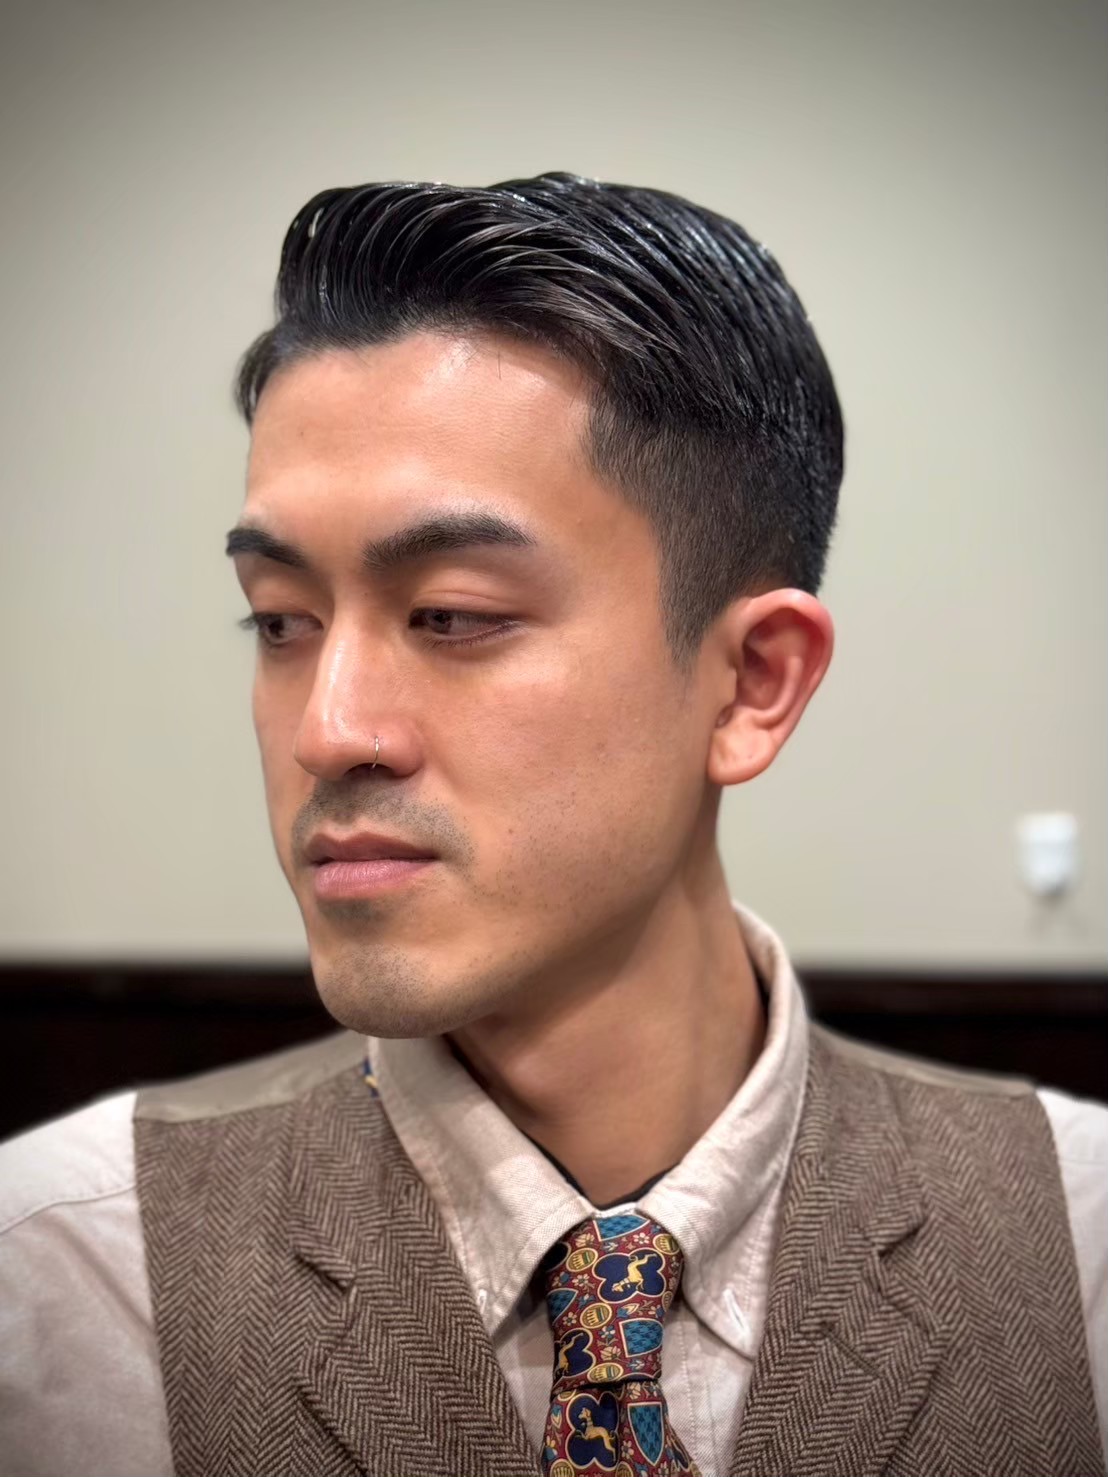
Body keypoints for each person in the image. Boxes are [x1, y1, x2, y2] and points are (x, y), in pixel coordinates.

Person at [0, 172, 1104, 1477]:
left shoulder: (1077, 1251)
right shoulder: (55, 1285)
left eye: (455, 615)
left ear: (753, 683)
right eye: (281, 619)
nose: (328, 730)